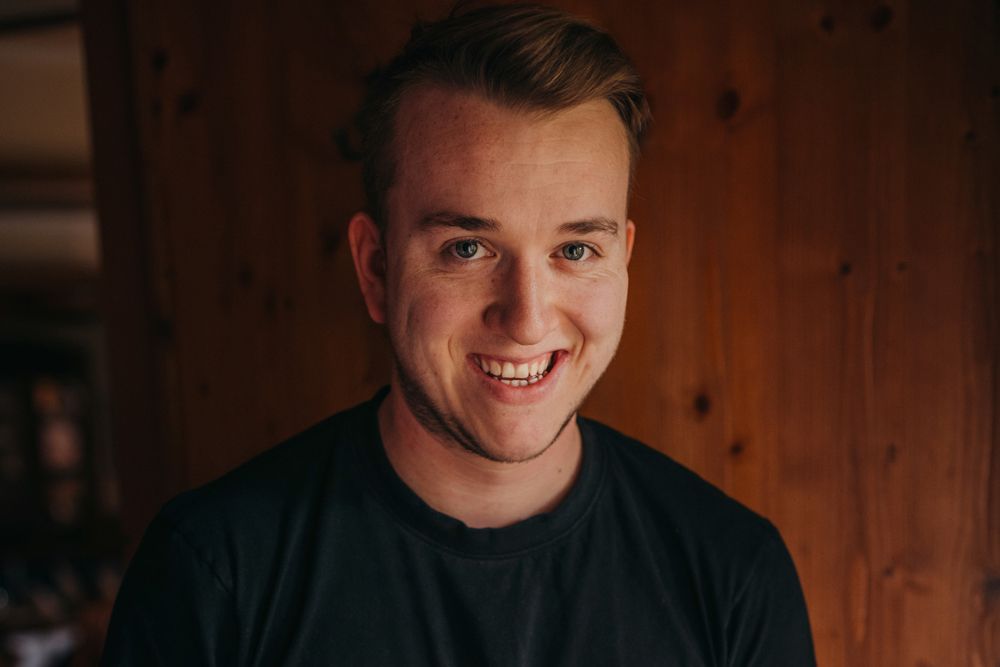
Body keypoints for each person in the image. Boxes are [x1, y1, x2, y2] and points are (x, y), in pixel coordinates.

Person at [102, 4, 816, 665]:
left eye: (575, 250)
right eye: (468, 249)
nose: (529, 317)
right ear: (376, 268)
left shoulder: (733, 575)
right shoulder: (213, 572)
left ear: (622, 260)